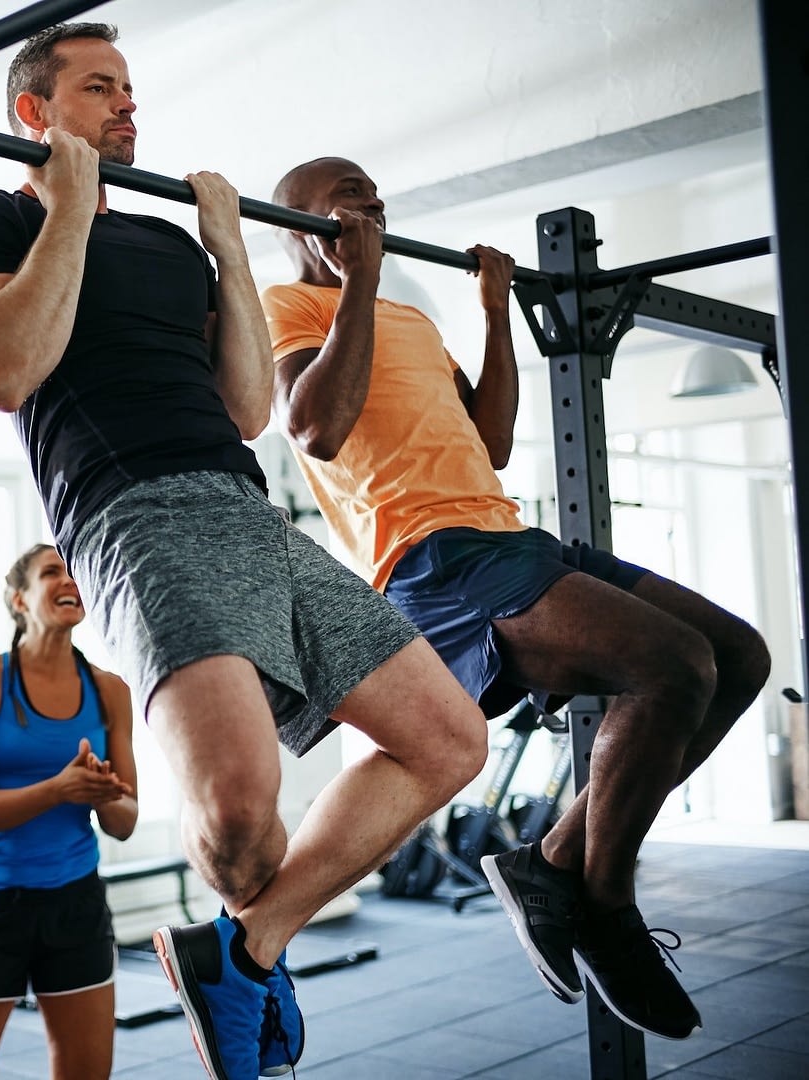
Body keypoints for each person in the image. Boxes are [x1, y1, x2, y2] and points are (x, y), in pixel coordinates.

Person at [0, 24, 488, 1079]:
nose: (128, 104)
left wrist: (229, 249)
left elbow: (245, 410)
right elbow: (2, 369)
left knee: (450, 738)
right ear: (34, 115)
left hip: (246, 507)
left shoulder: (170, 245)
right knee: (240, 817)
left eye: (131, 87)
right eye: (100, 88)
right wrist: (66, 210)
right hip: (130, 512)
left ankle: (244, 947)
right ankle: (247, 939)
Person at [262, 156, 772, 1042]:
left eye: (377, 197)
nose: (371, 206)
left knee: (736, 657)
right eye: (349, 200)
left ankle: (551, 864)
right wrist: (359, 281)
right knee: (672, 666)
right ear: (299, 227)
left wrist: (495, 315)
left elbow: (491, 439)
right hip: (432, 556)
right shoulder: (292, 308)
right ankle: (605, 903)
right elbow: (316, 425)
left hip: (504, 533)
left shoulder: (411, 319)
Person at [0, 544, 138, 1080]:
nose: (70, 579)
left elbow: (124, 822)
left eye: (75, 568)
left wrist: (104, 794)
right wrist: (58, 789)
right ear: (19, 599)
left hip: (75, 904)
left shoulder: (110, 691)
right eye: (53, 571)